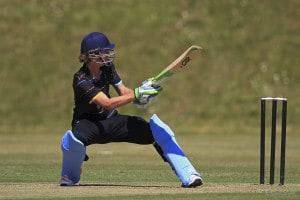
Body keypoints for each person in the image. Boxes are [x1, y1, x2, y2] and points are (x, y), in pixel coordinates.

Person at [60, 32, 202, 187]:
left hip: (111, 121)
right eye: (104, 51)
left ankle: (188, 174)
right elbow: (107, 103)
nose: (107, 54)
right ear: (91, 55)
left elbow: (123, 92)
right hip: (88, 125)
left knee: (157, 131)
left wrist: (142, 92)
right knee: (73, 140)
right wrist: (136, 94)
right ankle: (69, 177)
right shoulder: (81, 79)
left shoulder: (107, 68)